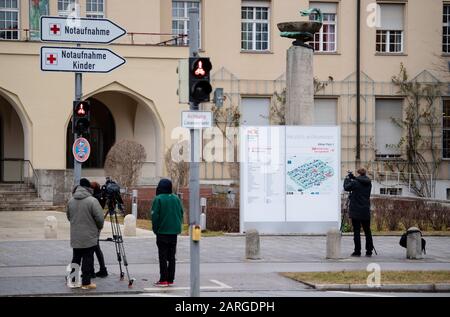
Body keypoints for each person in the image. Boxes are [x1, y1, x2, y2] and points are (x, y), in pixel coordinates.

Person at [66, 178, 104, 289]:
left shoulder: (71, 201)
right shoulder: (92, 201)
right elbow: (100, 219)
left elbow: (69, 217)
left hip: (76, 235)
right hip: (89, 235)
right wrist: (98, 228)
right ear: (88, 189)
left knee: (76, 258)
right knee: (88, 258)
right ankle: (86, 283)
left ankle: (73, 280)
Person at [151, 179, 184, 287]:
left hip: (162, 232)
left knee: (163, 257)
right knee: (172, 257)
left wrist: (155, 230)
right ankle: (170, 279)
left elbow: (155, 216)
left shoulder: (158, 199)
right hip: (174, 232)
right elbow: (181, 212)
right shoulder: (176, 198)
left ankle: (163, 279)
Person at [343, 168, 374, 257]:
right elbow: (360, 181)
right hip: (365, 210)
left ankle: (357, 251)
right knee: (367, 231)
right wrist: (353, 178)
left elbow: (346, 187)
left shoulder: (355, 182)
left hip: (356, 210)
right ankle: (369, 251)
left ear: (358, 174)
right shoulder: (369, 183)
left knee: (356, 231)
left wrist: (347, 179)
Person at [90, 181, 108, 278]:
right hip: (97, 224)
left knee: (93, 247)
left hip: (93, 224)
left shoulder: (94, 199)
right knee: (96, 247)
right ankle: (102, 269)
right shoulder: (101, 196)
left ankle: (94, 270)